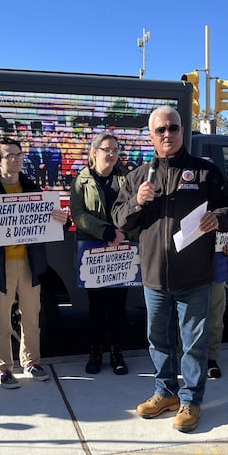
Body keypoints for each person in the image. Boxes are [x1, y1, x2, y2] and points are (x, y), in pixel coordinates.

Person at [112, 105, 228, 433]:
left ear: (182, 131)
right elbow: (121, 221)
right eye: (160, 130)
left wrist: (219, 219)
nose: (167, 134)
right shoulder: (138, 177)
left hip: (195, 276)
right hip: (154, 276)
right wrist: (137, 202)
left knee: (193, 343)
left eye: (173, 128)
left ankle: (191, 400)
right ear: (151, 135)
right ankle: (165, 393)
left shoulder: (204, 172)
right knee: (158, 340)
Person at [0, 136, 68, 389]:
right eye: (10, 155)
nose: (16, 159)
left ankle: (32, 362)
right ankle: (4, 368)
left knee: (32, 316)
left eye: (19, 154)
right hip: (1, 265)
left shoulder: (33, 189)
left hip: (30, 263)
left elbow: (48, 225)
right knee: (1, 319)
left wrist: (60, 219)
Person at [70, 133, 132, 376]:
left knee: (118, 306)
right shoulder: (81, 180)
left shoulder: (126, 178)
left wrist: (124, 233)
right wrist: (106, 231)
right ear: (94, 152)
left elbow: (135, 208)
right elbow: (79, 214)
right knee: (97, 306)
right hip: (94, 251)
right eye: (107, 149)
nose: (112, 154)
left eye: (115, 150)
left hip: (121, 251)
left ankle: (117, 352)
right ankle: (95, 352)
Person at [207, 245, 228, 379]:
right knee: (188, 319)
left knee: (215, 318)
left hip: (217, 270)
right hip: (189, 270)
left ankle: (211, 359)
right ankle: (188, 360)